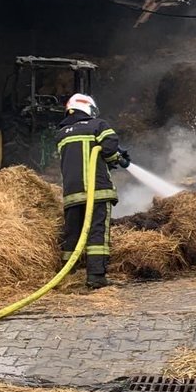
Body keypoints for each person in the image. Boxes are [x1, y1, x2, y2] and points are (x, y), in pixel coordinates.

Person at [55, 93, 129, 289]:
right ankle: (96, 276)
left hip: (72, 194)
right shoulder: (97, 125)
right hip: (96, 191)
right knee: (97, 233)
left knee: (73, 233)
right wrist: (118, 158)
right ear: (88, 108)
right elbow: (110, 146)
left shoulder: (61, 133)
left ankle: (67, 274)